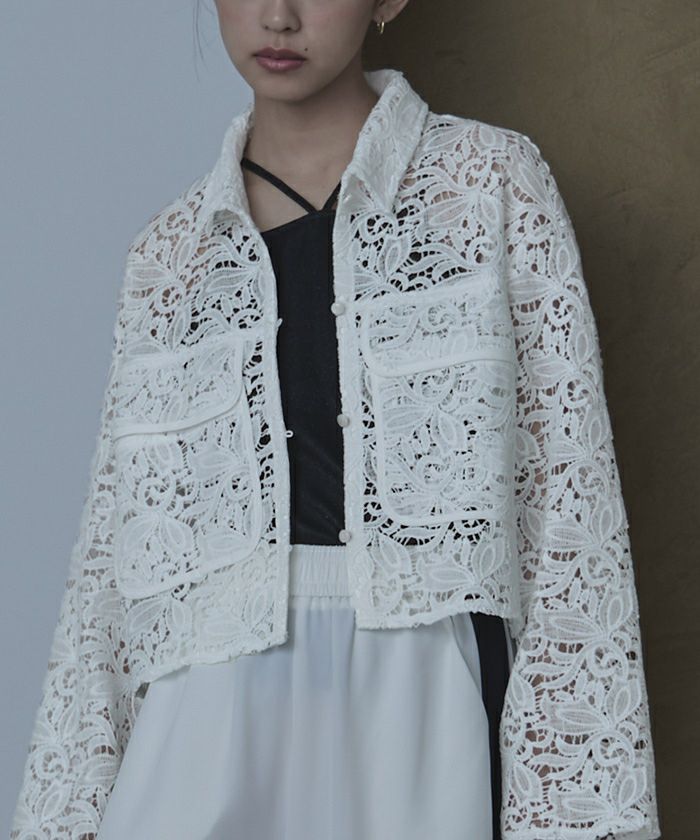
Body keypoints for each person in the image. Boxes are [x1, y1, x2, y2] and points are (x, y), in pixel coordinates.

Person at [10, 1, 661, 839]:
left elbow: (571, 519)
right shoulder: (167, 260)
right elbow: (109, 579)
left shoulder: (487, 188)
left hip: (419, 712)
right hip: (200, 732)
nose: (277, 16)